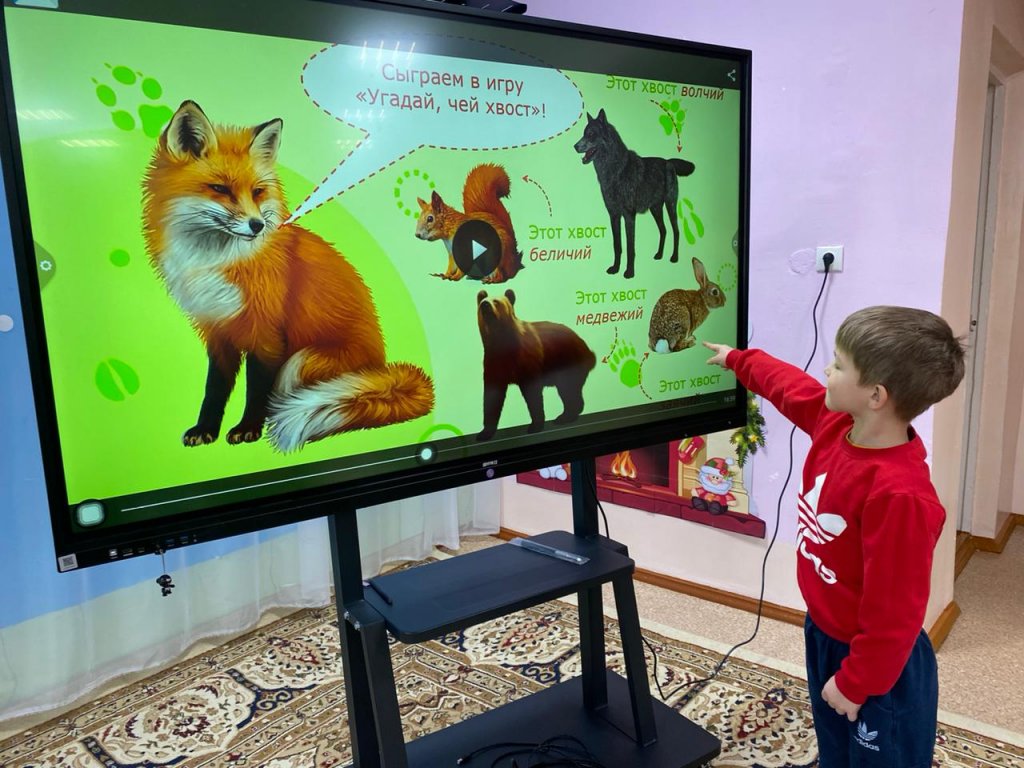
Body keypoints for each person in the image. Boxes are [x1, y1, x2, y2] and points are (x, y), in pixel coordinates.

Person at [704, 306, 965, 768]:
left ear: (876, 395)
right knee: (836, 748)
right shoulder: (837, 424)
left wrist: (856, 681)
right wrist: (738, 360)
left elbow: (896, 614)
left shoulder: (901, 497)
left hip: (880, 661)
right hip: (825, 632)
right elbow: (789, 386)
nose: (827, 370)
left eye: (840, 364)